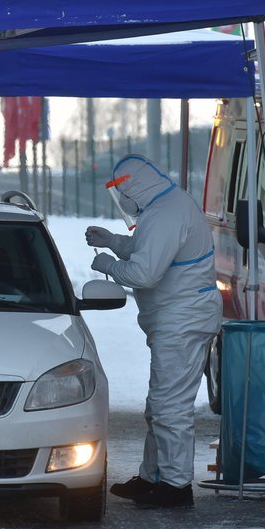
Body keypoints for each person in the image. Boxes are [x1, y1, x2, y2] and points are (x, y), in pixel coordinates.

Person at [85, 154, 221, 509]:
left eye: (120, 190)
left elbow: (145, 273)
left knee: (170, 407)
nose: (122, 199)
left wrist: (109, 264)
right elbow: (150, 249)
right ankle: (153, 477)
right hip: (178, 320)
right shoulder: (164, 206)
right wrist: (115, 240)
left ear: (132, 186)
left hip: (183, 321)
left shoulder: (165, 213)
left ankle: (175, 487)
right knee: (159, 405)